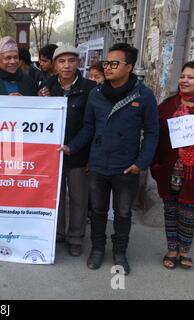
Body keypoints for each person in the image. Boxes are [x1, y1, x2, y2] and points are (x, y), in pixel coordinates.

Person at [60, 43, 159, 275]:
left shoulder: (143, 95)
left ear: (129, 67)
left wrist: (141, 163)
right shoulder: (96, 94)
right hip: (97, 164)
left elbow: (152, 132)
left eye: (114, 63)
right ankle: (97, 249)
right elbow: (88, 128)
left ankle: (120, 253)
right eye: (107, 63)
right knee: (97, 210)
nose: (108, 67)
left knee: (123, 213)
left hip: (127, 167)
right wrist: (71, 148)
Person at [39, 45, 97, 256]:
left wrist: (73, 147)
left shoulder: (90, 88)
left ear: (78, 63)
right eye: (61, 61)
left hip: (77, 153)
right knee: (56, 196)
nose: (66, 66)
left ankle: (75, 238)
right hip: (52, 155)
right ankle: (58, 234)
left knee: (78, 198)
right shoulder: (46, 86)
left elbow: (90, 125)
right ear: (55, 65)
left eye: (71, 61)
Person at [151, 61, 194, 270]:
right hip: (170, 168)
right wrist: (156, 164)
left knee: (189, 212)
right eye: (183, 76)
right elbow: (155, 136)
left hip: (192, 171)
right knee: (171, 210)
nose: (185, 80)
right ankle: (172, 249)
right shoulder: (168, 106)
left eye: (191, 77)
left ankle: (185, 250)